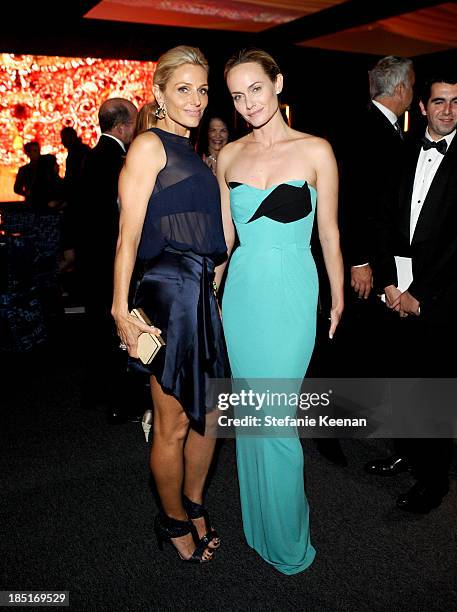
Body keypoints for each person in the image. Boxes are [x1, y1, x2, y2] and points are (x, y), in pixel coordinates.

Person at [217, 48, 344, 574]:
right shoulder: (228, 157)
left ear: (278, 83)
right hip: (242, 296)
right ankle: (260, 526)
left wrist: (337, 297)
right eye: (237, 95)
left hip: (292, 290)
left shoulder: (316, 149)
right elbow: (225, 243)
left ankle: (289, 538)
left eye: (256, 89)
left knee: (277, 418)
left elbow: (331, 233)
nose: (248, 103)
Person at [112, 46, 228, 563]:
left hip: (200, 293)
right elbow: (127, 238)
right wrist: (120, 311)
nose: (197, 99)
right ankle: (173, 521)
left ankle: (195, 502)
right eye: (184, 89)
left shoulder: (195, 152)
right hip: (166, 293)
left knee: (211, 414)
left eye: (202, 89)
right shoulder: (148, 148)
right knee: (173, 422)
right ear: (158, 93)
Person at [318, 56, 415, 467]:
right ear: (400, 89)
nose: (413, 91)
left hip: (376, 260)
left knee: (361, 348)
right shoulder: (363, 128)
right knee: (343, 347)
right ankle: (327, 431)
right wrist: (359, 261)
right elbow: (352, 199)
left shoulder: (384, 128)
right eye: (412, 85)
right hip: (360, 262)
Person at [366, 74, 457, 513]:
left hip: (439, 299)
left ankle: (434, 480)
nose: (448, 110)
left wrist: (421, 296)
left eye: (456, 103)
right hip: (393, 290)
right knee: (399, 379)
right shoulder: (400, 150)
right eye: (439, 101)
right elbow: (381, 218)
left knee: (433, 391)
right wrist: (387, 281)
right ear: (422, 106)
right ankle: (406, 452)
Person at [79, 97, 138, 421]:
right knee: (117, 331)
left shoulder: (88, 157)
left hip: (91, 258)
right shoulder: (118, 160)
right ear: (122, 126)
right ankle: (119, 402)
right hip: (111, 260)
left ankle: (95, 392)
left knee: (95, 328)